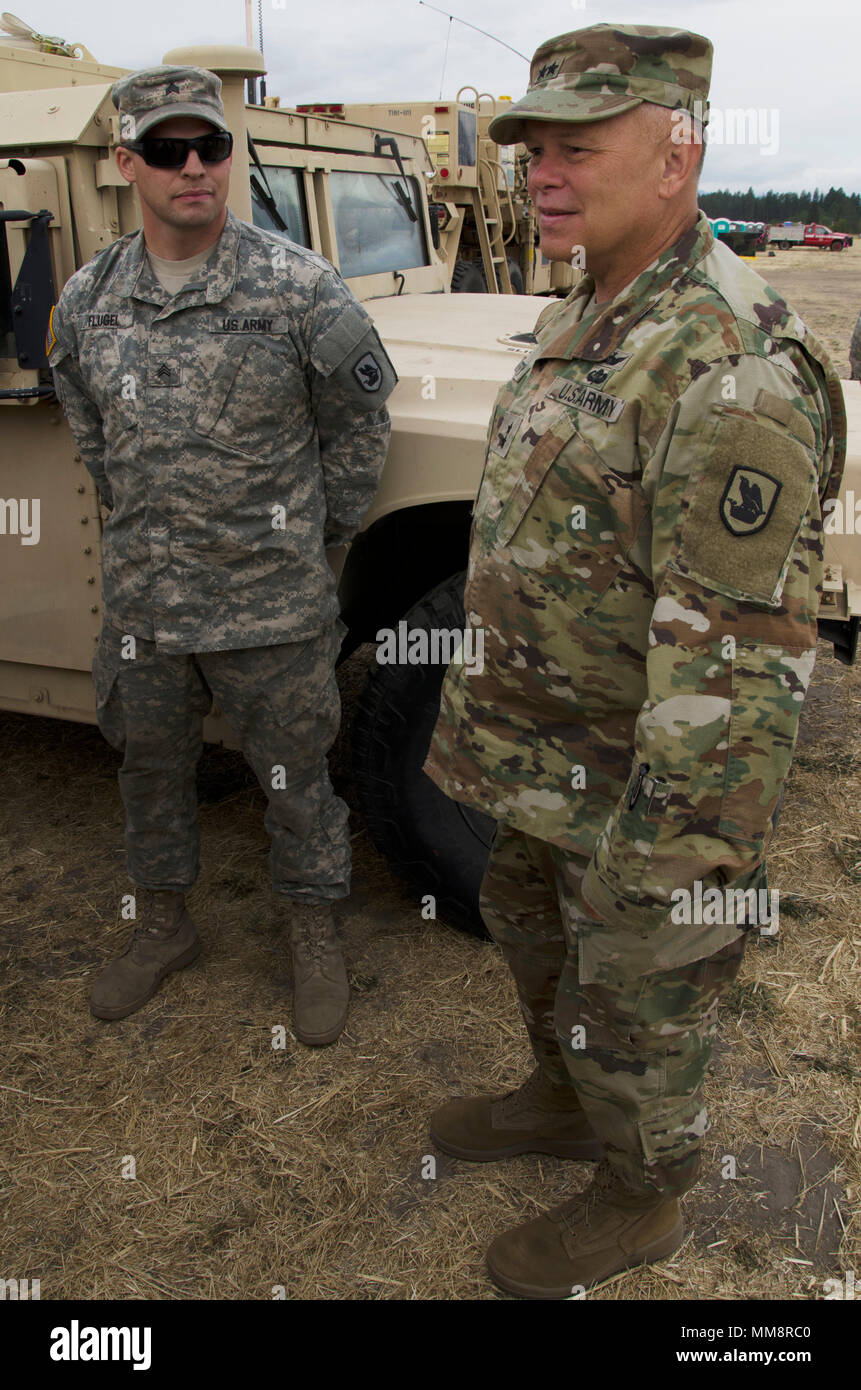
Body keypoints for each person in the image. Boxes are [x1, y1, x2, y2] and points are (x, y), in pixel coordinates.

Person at [423, 23, 846, 1297]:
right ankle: (562, 1102)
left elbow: (735, 666)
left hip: (641, 790)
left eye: (577, 148)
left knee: (637, 1004)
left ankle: (642, 1194)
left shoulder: (730, 362)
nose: (543, 174)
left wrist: (664, 873)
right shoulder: (597, 301)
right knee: (533, 940)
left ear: (677, 155)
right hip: (543, 758)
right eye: (533, 149)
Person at [49, 66, 396, 1045]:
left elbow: (360, 422)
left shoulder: (297, 289)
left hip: (269, 610)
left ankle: (314, 933)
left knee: (292, 775)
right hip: (144, 607)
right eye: (167, 149)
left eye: (210, 145)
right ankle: (162, 925)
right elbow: (87, 423)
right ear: (128, 164)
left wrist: (314, 543)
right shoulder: (88, 300)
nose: (193, 165)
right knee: (147, 767)